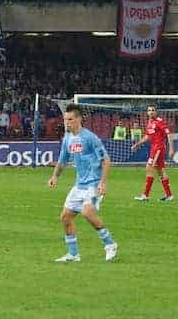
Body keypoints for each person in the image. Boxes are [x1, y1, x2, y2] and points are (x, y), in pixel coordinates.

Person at [47, 103, 118, 263]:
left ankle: (110, 244)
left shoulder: (90, 138)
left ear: (79, 119)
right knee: (65, 217)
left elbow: (106, 160)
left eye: (70, 119)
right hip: (79, 185)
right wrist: (55, 177)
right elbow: (62, 160)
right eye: (65, 119)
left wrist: (103, 183)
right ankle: (73, 254)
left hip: (93, 185)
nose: (67, 122)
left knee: (87, 212)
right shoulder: (68, 138)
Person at [131, 105, 174, 202]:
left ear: (156, 112)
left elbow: (169, 134)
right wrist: (137, 145)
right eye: (149, 110)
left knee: (149, 168)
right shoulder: (149, 123)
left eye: (153, 110)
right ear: (147, 113)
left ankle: (145, 195)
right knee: (160, 171)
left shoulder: (160, 122)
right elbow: (147, 137)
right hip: (154, 148)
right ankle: (169, 195)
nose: (151, 112)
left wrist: (171, 148)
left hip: (158, 148)